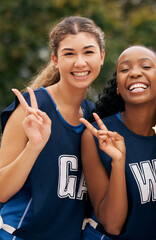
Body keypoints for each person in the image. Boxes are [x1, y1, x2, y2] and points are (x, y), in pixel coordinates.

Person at [0, 16, 105, 240]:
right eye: (69, 53)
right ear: (55, 60)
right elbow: (1, 190)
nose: (80, 62)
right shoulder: (31, 109)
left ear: (102, 57)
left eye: (88, 52)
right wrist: (34, 147)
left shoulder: (95, 117)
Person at [79, 45, 156, 240]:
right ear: (118, 86)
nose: (135, 73)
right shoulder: (97, 136)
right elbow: (113, 226)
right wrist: (118, 162)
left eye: (146, 67)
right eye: (125, 69)